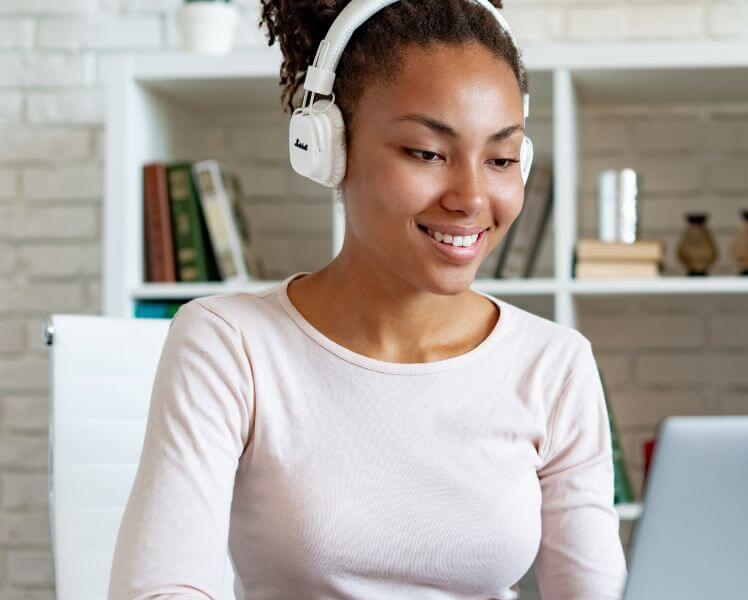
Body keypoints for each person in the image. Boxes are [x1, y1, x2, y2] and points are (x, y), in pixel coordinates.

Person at [107, 1, 628, 598]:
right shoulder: (231, 343)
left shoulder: (555, 364)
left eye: (502, 159)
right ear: (329, 147)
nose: (471, 198)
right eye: (427, 153)